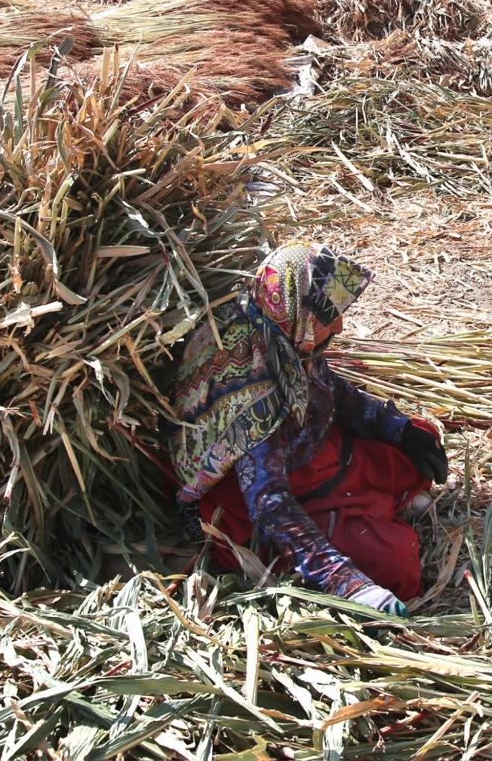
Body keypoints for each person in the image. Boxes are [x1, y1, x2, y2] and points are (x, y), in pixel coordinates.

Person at [167, 242, 448, 617]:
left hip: (297, 449)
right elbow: (271, 506)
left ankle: (378, 503)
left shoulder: (280, 327)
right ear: (297, 309)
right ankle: (375, 515)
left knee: (419, 437)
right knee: (393, 564)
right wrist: (347, 584)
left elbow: (329, 390)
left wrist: (396, 428)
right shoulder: (253, 398)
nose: (340, 326)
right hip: (252, 492)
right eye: (329, 316)